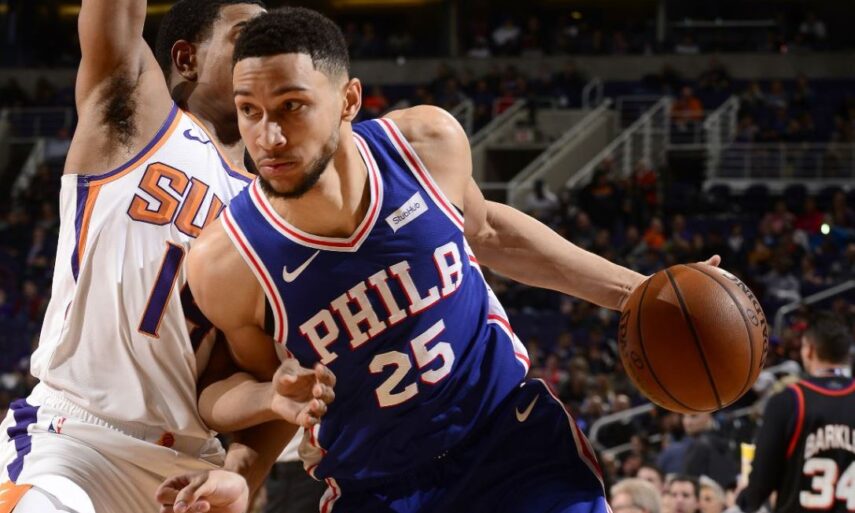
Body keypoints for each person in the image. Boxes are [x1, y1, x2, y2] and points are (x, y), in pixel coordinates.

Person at [164, 7, 720, 513]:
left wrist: (639, 292)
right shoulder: (227, 260)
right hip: (377, 489)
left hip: (511, 443)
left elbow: (489, 231)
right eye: (249, 111)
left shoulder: (424, 144)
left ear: (349, 101)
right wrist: (255, 434)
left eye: (292, 107)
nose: (269, 136)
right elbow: (255, 393)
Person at [0, 2, 334, 512]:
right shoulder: (136, 112)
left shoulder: (277, 211)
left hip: (189, 468)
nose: (267, 50)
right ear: (186, 59)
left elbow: (258, 381)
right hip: (74, 440)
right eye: (247, 35)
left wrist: (240, 480)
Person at [737, 312, 855, 513]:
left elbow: (760, 484)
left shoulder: (789, 400)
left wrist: (745, 498)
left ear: (809, 350)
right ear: (847, 354)